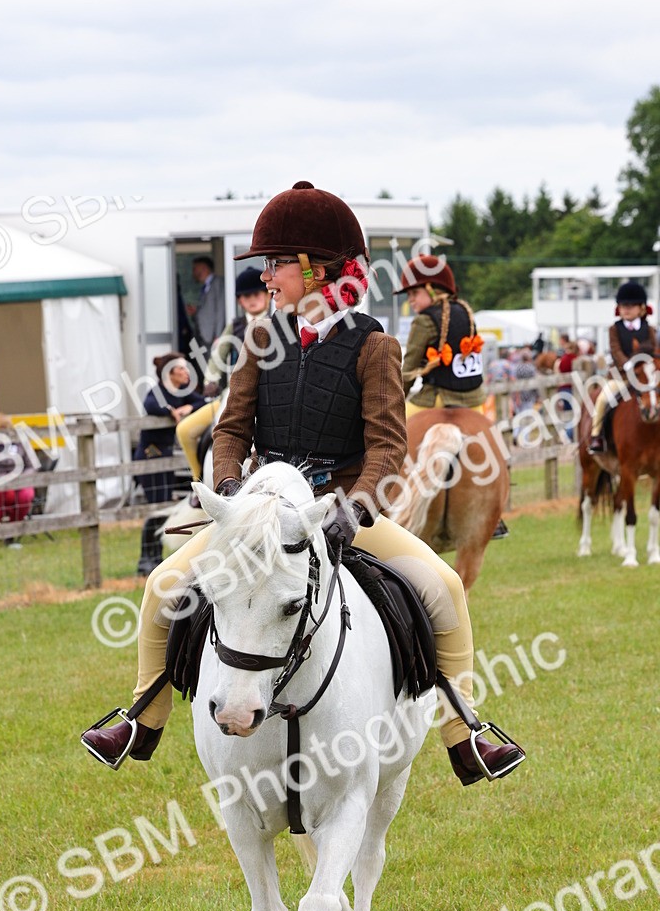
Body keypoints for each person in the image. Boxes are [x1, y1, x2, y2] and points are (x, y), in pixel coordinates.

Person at [82, 181, 525, 787]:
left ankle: (464, 733)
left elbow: (389, 446)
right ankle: (142, 719)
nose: (267, 276)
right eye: (266, 264)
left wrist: (355, 508)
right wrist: (231, 490)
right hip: (262, 510)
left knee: (444, 586)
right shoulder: (259, 341)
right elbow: (232, 431)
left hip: (340, 511)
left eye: (277, 263)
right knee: (163, 585)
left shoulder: (375, 346)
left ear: (319, 271)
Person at [176, 267, 271, 484]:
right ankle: (198, 482)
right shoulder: (234, 327)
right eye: (247, 296)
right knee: (185, 431)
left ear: (267, 295)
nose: (253, 300)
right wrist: (210, 380)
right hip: (231, 395)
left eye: (257, 294)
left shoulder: (279, 323)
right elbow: (217, 357)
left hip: (268, 395)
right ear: (240, 301)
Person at [398, 257, 486, 418]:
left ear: (432, 289)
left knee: (392, 432)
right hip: (475, 402)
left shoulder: (423, 321)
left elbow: (409, 370)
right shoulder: (465, 311)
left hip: (438, 399)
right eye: (408, 295)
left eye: (415, 293)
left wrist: (393, 404)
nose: (410, 299)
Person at [589, 281, 657, 453]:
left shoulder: (649, 329)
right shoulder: (614, 329)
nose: (626, 309)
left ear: (641, 308)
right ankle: (597, 436)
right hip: (622, 377)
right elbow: (615, 349)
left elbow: (653, 349)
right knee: (603, 399)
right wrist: (627, 363)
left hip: (645, 377)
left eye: (631, 306)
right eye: (623, 306)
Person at [135, 354, 206, 504]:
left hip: (166, 450)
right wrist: (169, 410)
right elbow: (150, 405)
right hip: (151, 451)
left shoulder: (181, 390)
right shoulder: (158, 391)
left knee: (166, 500)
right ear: (170, 373)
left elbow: (202, 401)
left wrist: (189, 406)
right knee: (157, 501)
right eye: (181, 368)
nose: (187, 372)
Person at [186, 256, 225, 354]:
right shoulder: (205, 287)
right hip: (204, 336)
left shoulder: (218, 282)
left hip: (213, 337)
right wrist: (196, 312)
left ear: (204, 268)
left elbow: (221, 309)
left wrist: (219, 335)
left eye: (195, 268)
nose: (193, 272)